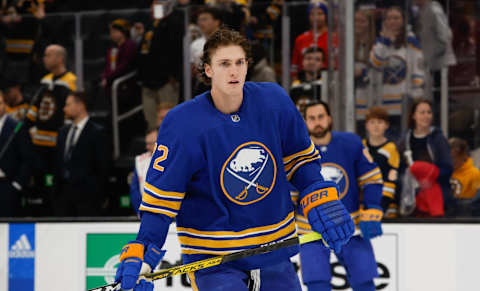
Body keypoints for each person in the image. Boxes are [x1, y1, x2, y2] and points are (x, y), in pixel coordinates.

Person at [114, 28, 354, 291]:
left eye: (240, 62)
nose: (234, 71)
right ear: (207, 69)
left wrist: (318, 193)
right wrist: (144, 251)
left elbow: (300, 161)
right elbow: (161, 203)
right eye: (224, 64)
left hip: (273, 253)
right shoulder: (182, 124)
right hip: (215, 262)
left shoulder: (274, 101)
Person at [292, 101, 383, 291]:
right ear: (305, 122)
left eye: (321, 117)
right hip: (310, 231)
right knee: (317, 285)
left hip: (349, 226)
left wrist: (372, 206)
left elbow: (372, 178)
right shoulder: (296, 151)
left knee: (364, 282)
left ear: (329, 118)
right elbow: (289, 193)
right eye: (312, 118)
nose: (317, 122)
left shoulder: (351, 143)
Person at [25, 44, 77, 215]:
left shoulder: (70, 81)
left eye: (48, 55)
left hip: (56, 143)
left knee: (55, 184)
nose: (44, 58)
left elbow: (69, 112)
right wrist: (28, 123)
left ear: (60, 58)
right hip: (38, 142)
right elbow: (35, 107)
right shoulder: (45, 80)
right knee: (38, 184)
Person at [370, 6, 425, 137]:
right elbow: (376, 63)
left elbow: (417, 69)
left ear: (403, 20)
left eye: (396, 18)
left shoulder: (411, 41)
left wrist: (416, 94)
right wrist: (384, 41)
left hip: (404, 102)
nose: (392, 21)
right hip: (383, 102)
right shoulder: (380, 42)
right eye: (389, 18)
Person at [53, 91, 108, 216]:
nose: (64, 108)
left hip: (87, 198)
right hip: (63, 197)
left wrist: (97, 194)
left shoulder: (97, 132)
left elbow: (102, 166)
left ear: (80, 105)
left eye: (67, 105)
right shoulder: (63, 131)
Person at [398, 98, 452, 217]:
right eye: (422, 112)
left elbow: (448, 168)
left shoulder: (438, 139)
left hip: (437, 194)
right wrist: (408, 180)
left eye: (429, 112)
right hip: (411, 195)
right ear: (413, 115)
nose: (426, 116)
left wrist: (429, 179)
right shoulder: (404, 141)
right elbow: (400, 168)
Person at [137, 0, 186, 131]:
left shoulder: (174, 22)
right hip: (147, 79)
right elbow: (143, 50)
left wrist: (174, 75)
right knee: (151, 120)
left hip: (166, 80)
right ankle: (154, 146)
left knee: (169, 118)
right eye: (152, 5)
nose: (153, 8)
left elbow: (177, 50)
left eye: (157, 4)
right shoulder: (151, 24)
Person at [0, 92, 34, 217]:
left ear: (5, 105)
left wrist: (17, 185)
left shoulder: (17, 127)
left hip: (7, 186)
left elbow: (28, 158)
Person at [363, 106, 400, 218]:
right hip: (364, 204)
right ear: (366, 125)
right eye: (372, 122)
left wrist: (383, 204)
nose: (376, 126)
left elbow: (392, 179)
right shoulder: (361, 146)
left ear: (386, 125)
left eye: (380, 122)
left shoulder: (391, 148)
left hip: (386, 206)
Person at [291, 1, 335, 78]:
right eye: (312, 14)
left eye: (320, 13)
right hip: (305, 82)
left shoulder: (334, 38)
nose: (316, 17)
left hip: (328, 81)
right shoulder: (301, 39)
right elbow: (295, 67)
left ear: (326, 15)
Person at [101, 19, 138, 94]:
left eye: (115, 31)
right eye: (111, 32)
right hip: (112, 84)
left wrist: (108, 78)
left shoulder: (129, 46)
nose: (112, 34)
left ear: (123, 32)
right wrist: (104, 77)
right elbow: (108, 65)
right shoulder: (112, 47)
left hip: (126, 85)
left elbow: (124, 66)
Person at [130, 128, 159, 216]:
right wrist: (141, 212)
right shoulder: (140, 161)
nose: (147, 147)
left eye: (150, 144)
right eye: (146, 143)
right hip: (146, 212)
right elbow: (134, 190)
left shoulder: (172, 159)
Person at [449, 137, 480, 216]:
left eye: (453, 158)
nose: (450, 161)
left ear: (463, 156)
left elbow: (474, 204)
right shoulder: (445, 171)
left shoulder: (474, 173)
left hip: (464, 218)